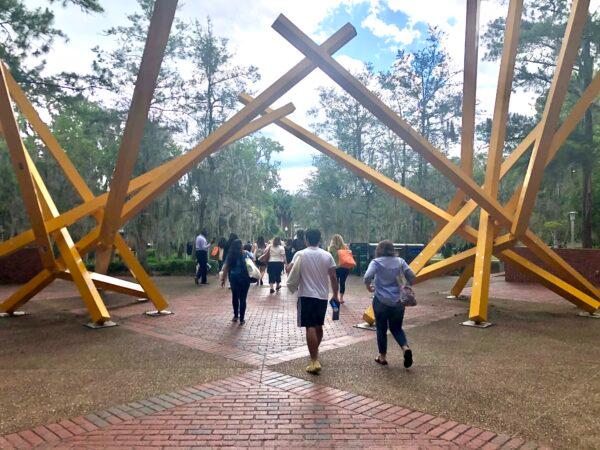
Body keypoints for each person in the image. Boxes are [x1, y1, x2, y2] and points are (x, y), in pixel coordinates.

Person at [287, 228, 339, 374]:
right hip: (322, 296)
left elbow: (289, 270)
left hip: (306, 295)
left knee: (309, 326)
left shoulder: (300, 254)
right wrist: (335, 294)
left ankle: (314, 360)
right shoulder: (327, 255)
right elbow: (333, 277)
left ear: (306, 240)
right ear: (319, 239)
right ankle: (315, 352)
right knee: (318, 326)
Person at [363, 240, 415, 368]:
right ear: (392, 249)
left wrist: (369, 287)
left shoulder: (376, 262)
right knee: (396, 327)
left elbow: (367, 277)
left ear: (379, 250)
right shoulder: (400, 261)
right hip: (398, 301)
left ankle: (382, 356)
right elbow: (412, 276)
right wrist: (405, 286)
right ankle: (405, 348)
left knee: (381, 328)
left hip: (381, 301)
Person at [220, 239, 251, 325]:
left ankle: (235, 316)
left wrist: (223, 279)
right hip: (245, 278)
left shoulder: (230, 255)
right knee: (243, 298)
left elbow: (225, 267)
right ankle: (242, 319)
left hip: (234, 278)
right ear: (241, 246)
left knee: (235, 297)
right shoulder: (245, 253)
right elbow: (253, 261)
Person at [328, 234, 350, 304]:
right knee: (342, 282)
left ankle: (335, 296)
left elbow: (329, 258)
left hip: (335, 267)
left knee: (335, 282)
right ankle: (341, 298)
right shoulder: (345, 247)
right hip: (344, 267)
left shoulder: (331, 248)